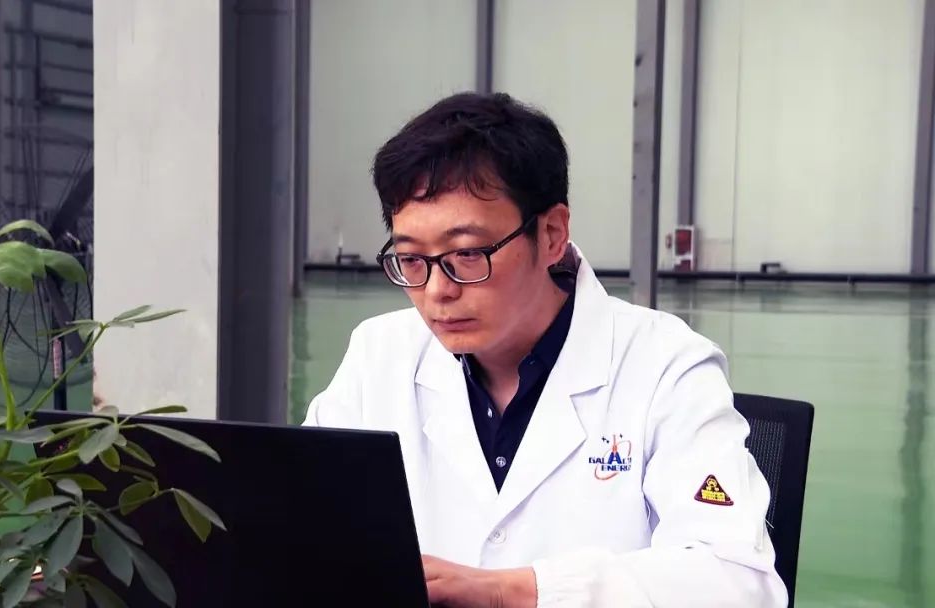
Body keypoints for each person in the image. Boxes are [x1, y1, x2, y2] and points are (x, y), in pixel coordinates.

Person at [303, 92, 787, 607]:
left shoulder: (665, 366)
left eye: (467, 254)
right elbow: (299, 524)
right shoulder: (380, 354)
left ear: (552, 233)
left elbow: (739, 585)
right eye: (411, 259)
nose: (437, 291)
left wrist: (515, 592)